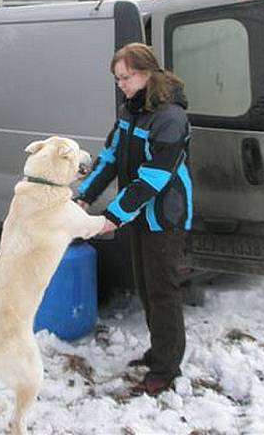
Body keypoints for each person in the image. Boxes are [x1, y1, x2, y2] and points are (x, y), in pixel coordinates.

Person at [75, 43, 193, 396]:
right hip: (138, 212)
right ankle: (159, 351)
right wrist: (83, 196)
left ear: (146, 74)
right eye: (117, 79)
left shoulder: (171, 118)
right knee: (145, 286)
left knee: (162, 291)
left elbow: (154, 178)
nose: (121, 84)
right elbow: (109, 157)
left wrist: (114, 215)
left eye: (125, 77)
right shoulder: (131, 110)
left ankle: (166, 368)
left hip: (163, 215)